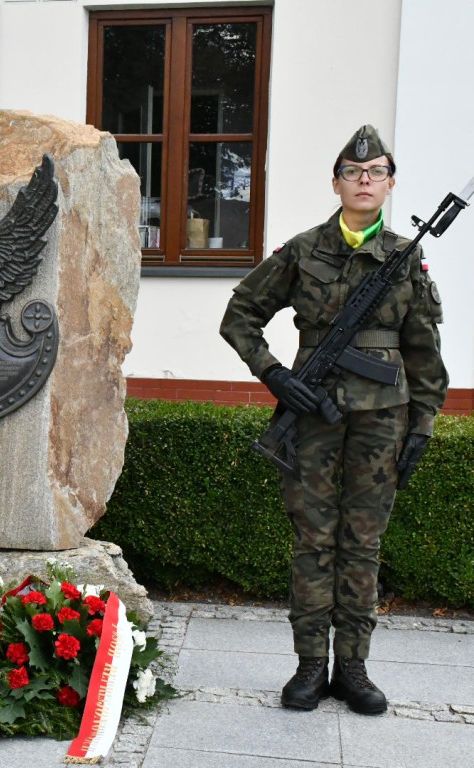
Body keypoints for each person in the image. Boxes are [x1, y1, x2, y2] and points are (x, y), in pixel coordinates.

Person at [219, 126, 448, 715]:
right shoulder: (302, 250)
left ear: (390, 184)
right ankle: (309, 665)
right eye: (353, 172)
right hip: (311, 416)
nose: (364, 181)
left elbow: (423, 355)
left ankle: (353, 667)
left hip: (382, 422)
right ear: (337, 182)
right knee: (313, 541)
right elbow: (241, 315)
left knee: (363, 544)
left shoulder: (405, 258)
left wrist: (422, 426)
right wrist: (274, 375)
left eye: (375, 174)